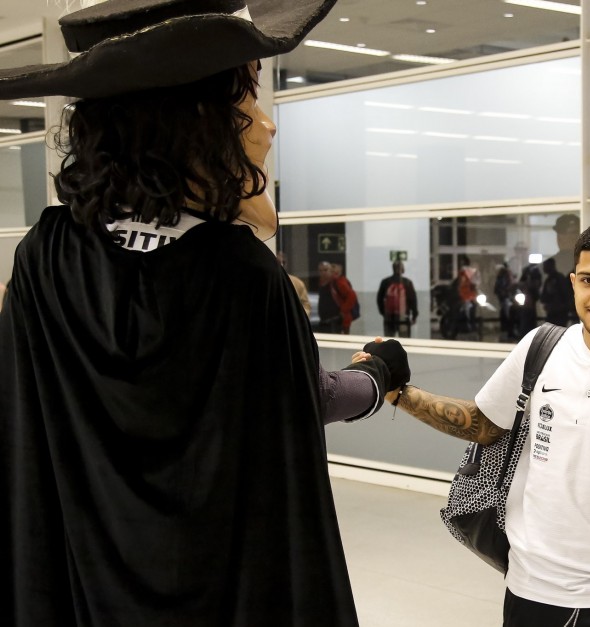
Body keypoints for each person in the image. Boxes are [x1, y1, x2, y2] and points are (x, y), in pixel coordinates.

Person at [0, 1, 411, 625]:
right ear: (192, 122)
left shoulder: (45, 258)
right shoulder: (242, 276)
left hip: (87, 592)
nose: (267, 127)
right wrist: (377, 376)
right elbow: (298, 414)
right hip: (224, 592)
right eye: (244, 104)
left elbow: (26, 448)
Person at [375, 220, 590, 627]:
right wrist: (399, 393)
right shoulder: (541, 347)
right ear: (573, 281)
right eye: (589, 280)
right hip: (530, 588)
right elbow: (483, 424)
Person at [377, 260, 418, 338]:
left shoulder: (385, 282)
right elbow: (412, 300)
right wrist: (414, 315)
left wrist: (384, 313)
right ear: (403, 269)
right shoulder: (407, 283)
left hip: (389, 318)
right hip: (403, 318)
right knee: (404, 342)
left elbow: (379, 299)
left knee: (389, 342)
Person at [331, 263, 359, 334]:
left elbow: (352, 295)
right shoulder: (336, 281)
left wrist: (343, 310)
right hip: (343, 315)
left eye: (334, 267)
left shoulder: (340, 282)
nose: (332, 269)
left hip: (344, 316)